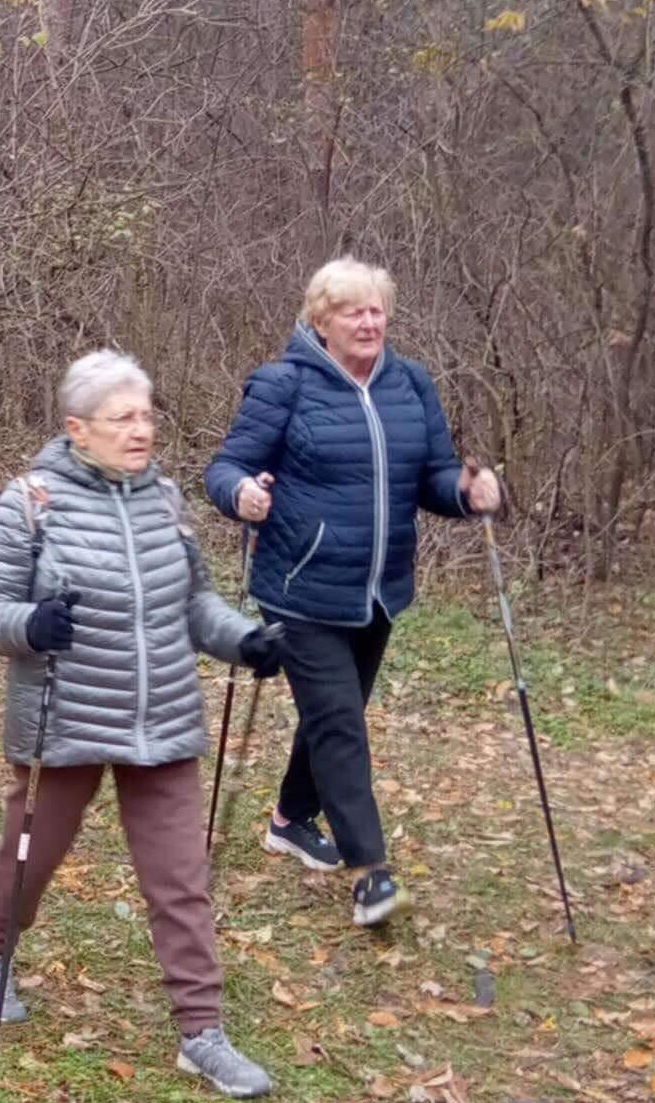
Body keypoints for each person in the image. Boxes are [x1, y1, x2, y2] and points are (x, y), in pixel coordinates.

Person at [0, 350, 280, 1100]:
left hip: (161, 717)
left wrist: (246, 640)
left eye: (146, 414)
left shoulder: (163, 500)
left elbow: (194, 605)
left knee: (181, 879)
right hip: (63, 718)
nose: (141, 430)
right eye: (122, 418)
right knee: (31, 856)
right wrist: (32, 622)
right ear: (78, 428)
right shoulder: (33, 501)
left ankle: (202, 1032)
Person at [204, 257, 501, 929]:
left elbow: (431, 476)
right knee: (340, 719)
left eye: (376, 310)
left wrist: (466, 490)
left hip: (378, 589)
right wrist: (243, 494)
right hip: (299, 585)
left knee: (331, 712)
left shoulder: (410, 384)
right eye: (352, 311)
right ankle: (372, 872)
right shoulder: (283, 385)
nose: (368, 322)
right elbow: (223, 467)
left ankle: (289, 818)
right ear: (321, 320)